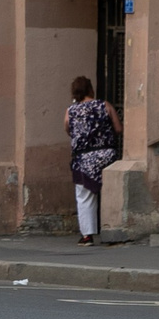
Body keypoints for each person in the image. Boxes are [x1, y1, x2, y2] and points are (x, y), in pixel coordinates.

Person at [67, 75, 122, 246]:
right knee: (110, 190)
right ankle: (114, 227)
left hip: (84, 158)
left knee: (84, 196)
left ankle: (87, 236)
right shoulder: (104, 105)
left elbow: (68, 129)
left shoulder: (71, 110)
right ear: (91, 89)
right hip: (107, 154)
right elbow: (118, 128)